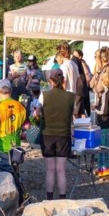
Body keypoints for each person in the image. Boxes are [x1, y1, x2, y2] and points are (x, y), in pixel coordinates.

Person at [0, 79, 28, 199]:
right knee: (15, 171)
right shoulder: (21, 106)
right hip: (16, 146)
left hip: (2, 146)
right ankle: (19, 199)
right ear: (11, 90)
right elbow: (27, 126)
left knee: (5, 176)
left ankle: (11, 200)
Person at [40, 68, 74, 200]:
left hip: (47, 134)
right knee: (61, 170)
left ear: (50, 80)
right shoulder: (70, 96)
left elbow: (37, 113)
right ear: (63, 80)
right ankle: (62, 198)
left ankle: (49, 198)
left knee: (50, 169)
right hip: (63, 135)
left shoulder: (44, 95)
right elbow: (72, 114)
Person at [71, 49, 92, 117]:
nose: (73, 57)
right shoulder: (81, 62)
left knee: (78, 109)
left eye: (75, 55)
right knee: (82, 109)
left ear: (80, 56)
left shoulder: (81, 63)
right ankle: (85, 122)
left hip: (80, 88)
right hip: (82, 88)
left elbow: (87, 76)